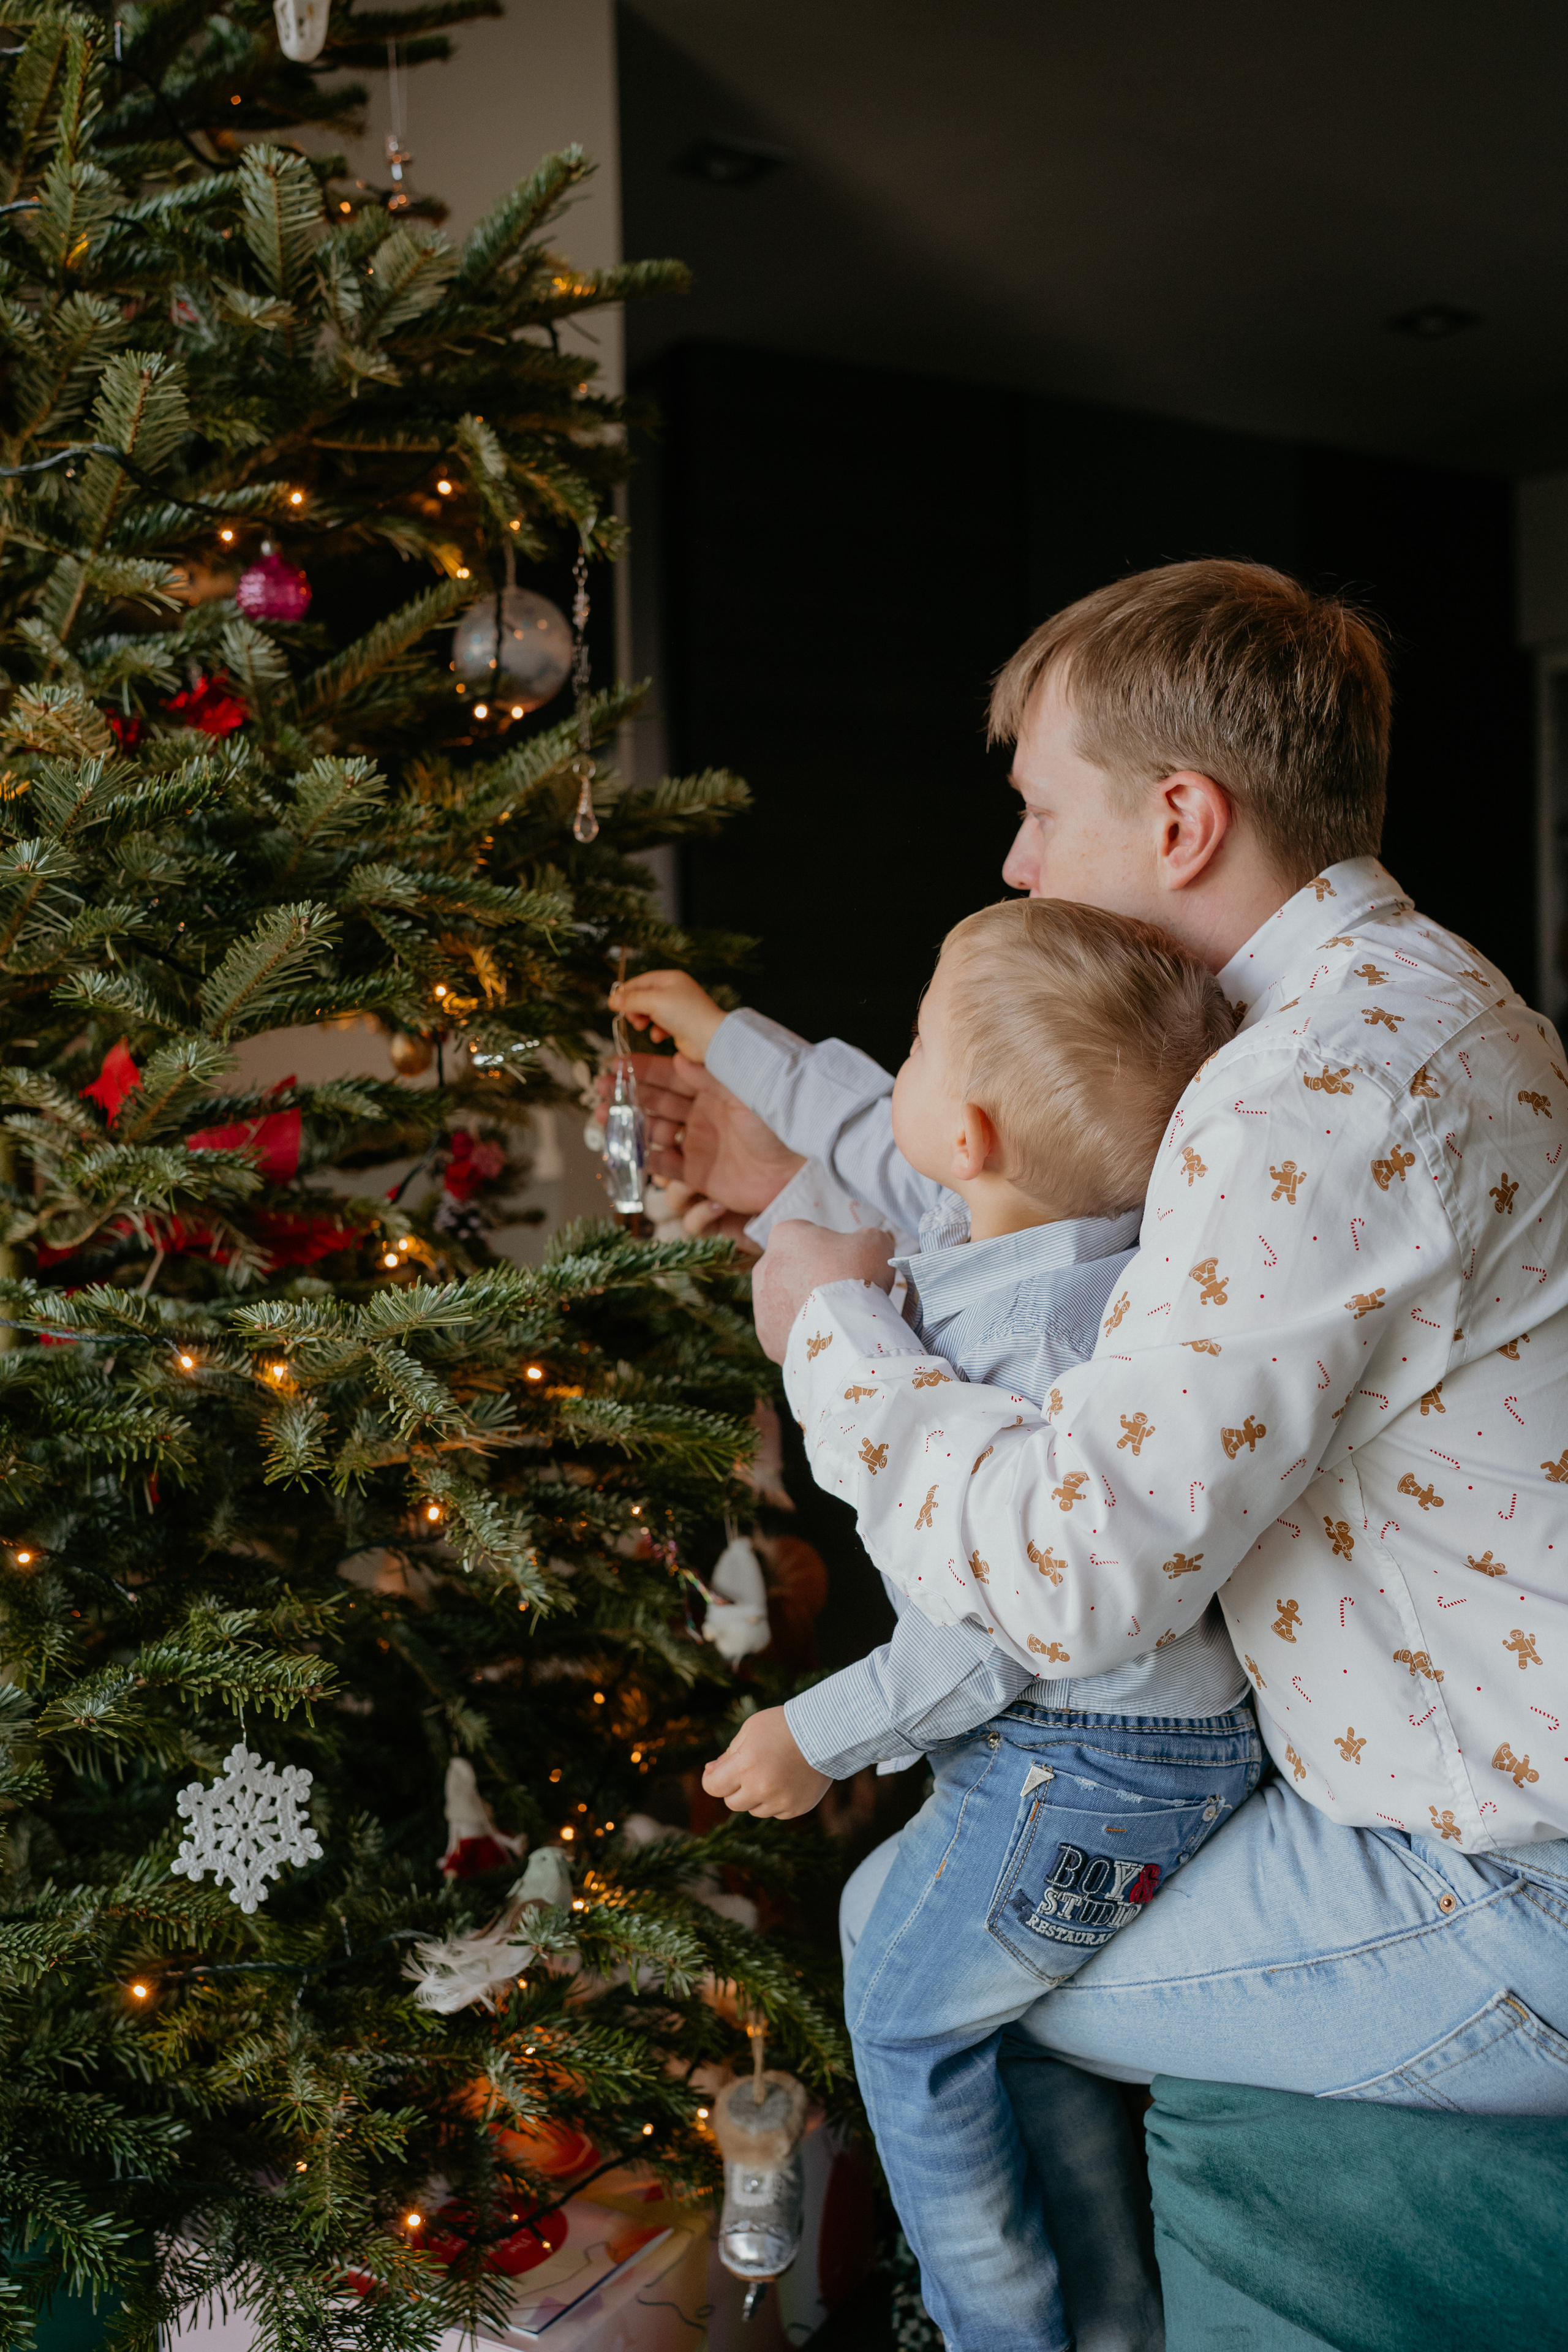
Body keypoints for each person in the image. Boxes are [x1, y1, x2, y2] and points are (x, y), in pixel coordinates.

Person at [618, 560, 1568, 2347]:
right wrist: (792, 1177)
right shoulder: (1387, 1011)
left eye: (1041, 811)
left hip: (1517, 1886)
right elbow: (1019, 1191)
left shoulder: (1314, 1094)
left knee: (942, 1961)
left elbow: (1071, 1575)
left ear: (1183, 817)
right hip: (1480, 1805)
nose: (1019, 863)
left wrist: (828, 1332)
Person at [613, 903, 1262, 2348]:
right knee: (1010, 2036)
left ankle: (995, 2335)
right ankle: (1108, 2327)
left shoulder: (1012, 1353)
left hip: (1080, 1758)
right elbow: (858, 1132)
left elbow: (999, 1635)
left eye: (913, 1043)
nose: (884, 1069)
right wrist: (726, 1037)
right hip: (1146, 1755)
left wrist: (810, 1731)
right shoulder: (1072, 1249)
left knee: (902, 2014)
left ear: (964, 1135)